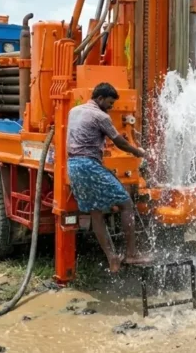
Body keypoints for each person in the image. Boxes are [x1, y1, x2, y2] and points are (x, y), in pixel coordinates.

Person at [66, 83, 151, 273]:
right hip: (89, 166)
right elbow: (119, 141)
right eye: (110, 103)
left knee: (95, 212)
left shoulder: (74, 111)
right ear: (100, 99)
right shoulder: (100, 116)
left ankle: (112, 258)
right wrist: (138, 152)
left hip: (73, 166)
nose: (112, 107)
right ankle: (131, 254)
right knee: (126, 204)